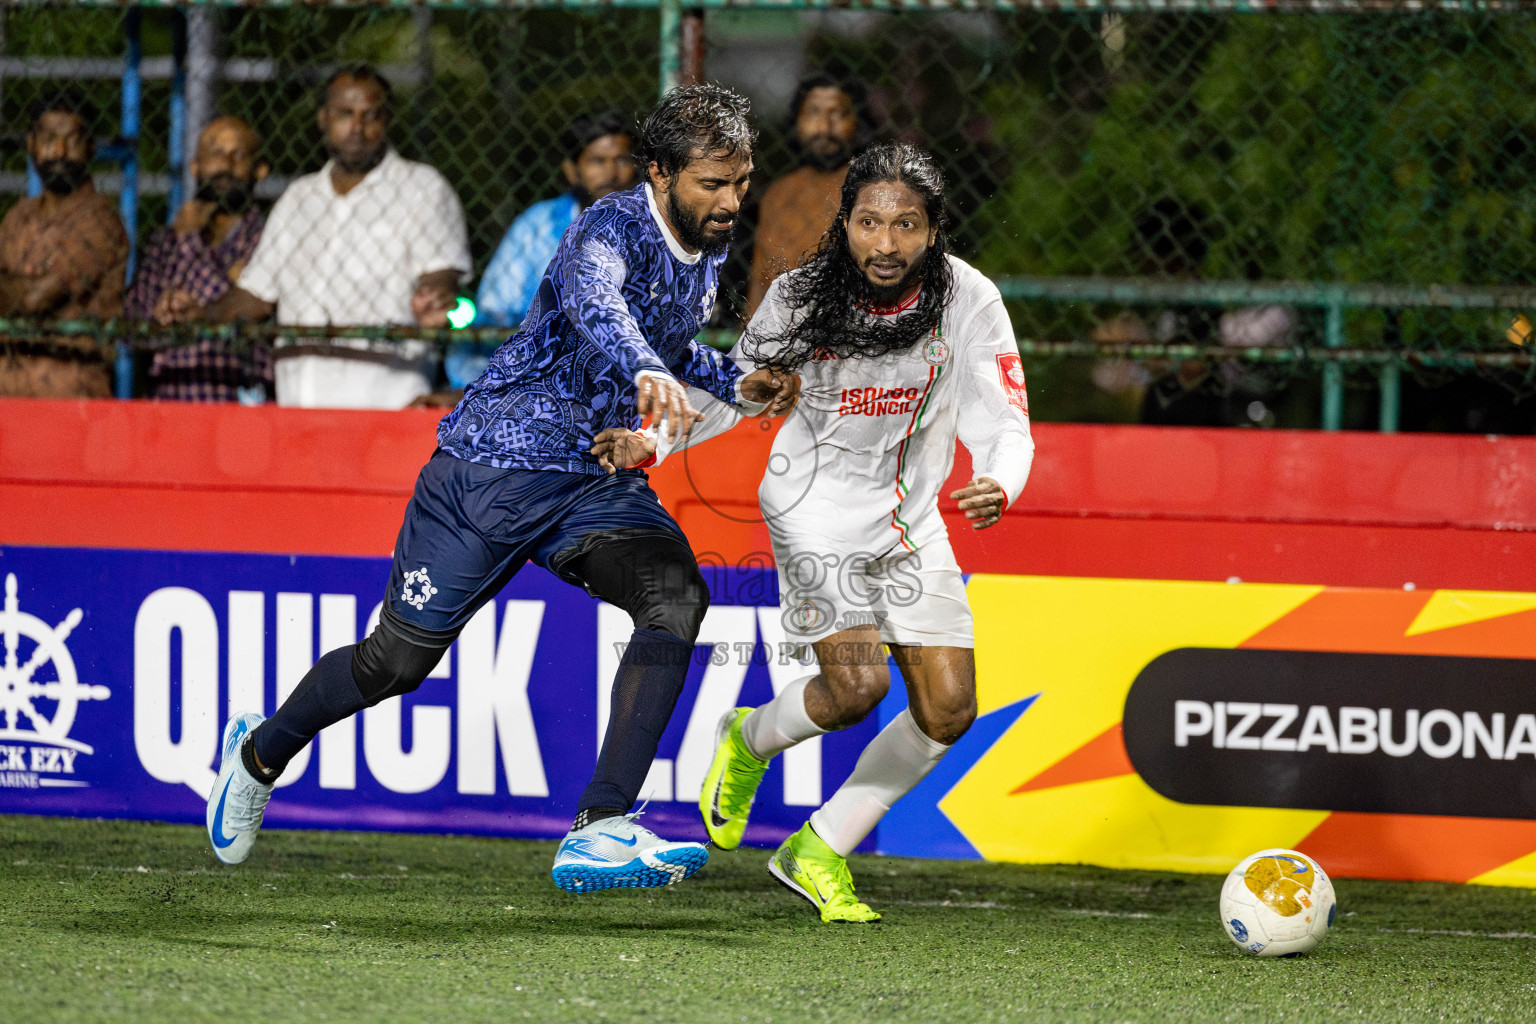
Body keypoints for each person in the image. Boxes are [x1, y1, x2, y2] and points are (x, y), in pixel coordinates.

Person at [203, 84, 799, 894]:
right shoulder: (610, 224)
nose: (732, 202)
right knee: (396, 664)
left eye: (741, 182)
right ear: (658, 172)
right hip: (492, 467)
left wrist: (735, 377)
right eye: (711, 184)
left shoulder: (707, 245)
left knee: (675, 597)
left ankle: (601, 827)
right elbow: (598, 306)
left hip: (592, 475)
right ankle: (258, 752)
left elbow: (670, 340)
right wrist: (651, 370)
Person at [590, 143, 1034, 922]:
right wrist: (651, 444)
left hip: (909, 519)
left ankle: (818, 845)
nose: (886, 244)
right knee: (858, 688)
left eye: (906, 225)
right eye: (869, 222)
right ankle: (750, 738)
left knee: (949, 709)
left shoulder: (969, 298)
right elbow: (732, 392)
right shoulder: (801, 296)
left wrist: (1001, 478)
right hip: (815, 510)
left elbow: (1006, 420)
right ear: (847, 222)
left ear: (934, 231)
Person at [161, 65, 470, 409]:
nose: (357, 128)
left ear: (387, 120)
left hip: (387, 406)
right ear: (323, 119)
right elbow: (257, 294)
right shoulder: (298, 198)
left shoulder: (424, 189)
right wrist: (203, 314)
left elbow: (441, 274)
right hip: (298, 410)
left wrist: (435, 293)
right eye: (344, 114)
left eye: (370, 116)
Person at [447, 111, 638, 391]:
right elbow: (493, 318)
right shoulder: (538, 225)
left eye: (622, 160)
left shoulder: (659, 227)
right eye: (597, 161)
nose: (611, 173)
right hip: (534, 382)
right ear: (572, 170)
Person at [126, 116, 270, 402]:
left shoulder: (268, 239)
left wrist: (191, 241)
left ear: (260, 170)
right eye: (215, 153)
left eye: (238, 154)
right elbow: (135, 324)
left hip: (236, 402)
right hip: (169, 401)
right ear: (195, 167)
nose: (225, 164)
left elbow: (233, 314)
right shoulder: (165, 241)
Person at [0, 94, 129, 398]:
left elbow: (35, 298)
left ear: (91, 149)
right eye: (48, 139)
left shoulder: (100, 220)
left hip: (71, 400)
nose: (59, 151)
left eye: (72, 140)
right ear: (31, 144)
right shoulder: (17, 217)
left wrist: (15, 290)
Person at [744, 70, 869, 317]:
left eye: (837, 114)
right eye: (813, 113)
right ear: (796, 121)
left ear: (858, 121)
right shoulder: (778, 194)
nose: (824, 127)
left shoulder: (872, 187)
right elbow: (759, 285)